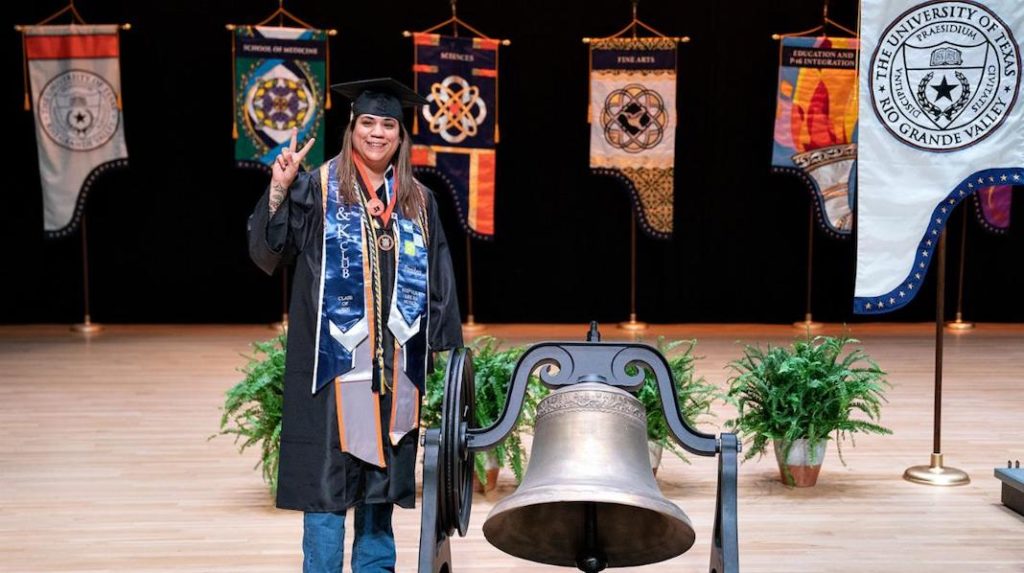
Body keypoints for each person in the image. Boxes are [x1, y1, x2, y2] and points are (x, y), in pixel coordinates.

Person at [248, 77, 463, 573]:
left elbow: (439, 288)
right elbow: (267, 254)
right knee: (327, 491)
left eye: (388, 124)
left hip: (392, 377)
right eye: (367, 122)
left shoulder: (417, 201)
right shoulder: (316, 189)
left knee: (378, 494)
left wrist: (436, 360)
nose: (377, 132)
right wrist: (279, 189)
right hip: (331, 372)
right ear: (351, 128)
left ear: (400, 135)